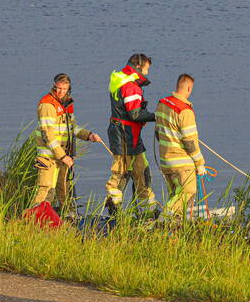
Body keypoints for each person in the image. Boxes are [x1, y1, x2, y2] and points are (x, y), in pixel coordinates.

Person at [33, 74, 101, 218]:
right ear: (54, 86)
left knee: (64, 190)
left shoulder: (66, 105)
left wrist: (88, 135)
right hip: (49, 157)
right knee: (46, 191)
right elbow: (47, 135)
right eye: (58, 88)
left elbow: (73, 128)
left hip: (63, 157)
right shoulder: (47, 105)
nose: (61, 92)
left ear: (69, 89)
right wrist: (63, 156)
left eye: (64, 89)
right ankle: (34, 219)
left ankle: (68, 218)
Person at [105, 53, 157, 215]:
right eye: (146, 69)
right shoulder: (131, 86)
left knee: (141, 171)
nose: (147, 73)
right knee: (121, 173)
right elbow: (135, 114)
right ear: (139, 67)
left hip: (125, 134)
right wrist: (156, 116)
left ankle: (147, 212)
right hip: (125, 136)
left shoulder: (120, 80)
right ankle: (115, 211)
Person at [154, 74, 207, 219]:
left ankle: (175, 224)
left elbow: (158, 133)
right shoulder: (185, 111)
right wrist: (200, 163)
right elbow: (190, 143)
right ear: (189, 88)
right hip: (181, 164)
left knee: (176, 195)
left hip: (165, 161)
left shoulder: (162, 104)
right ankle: (164, 218)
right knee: (188, 192)